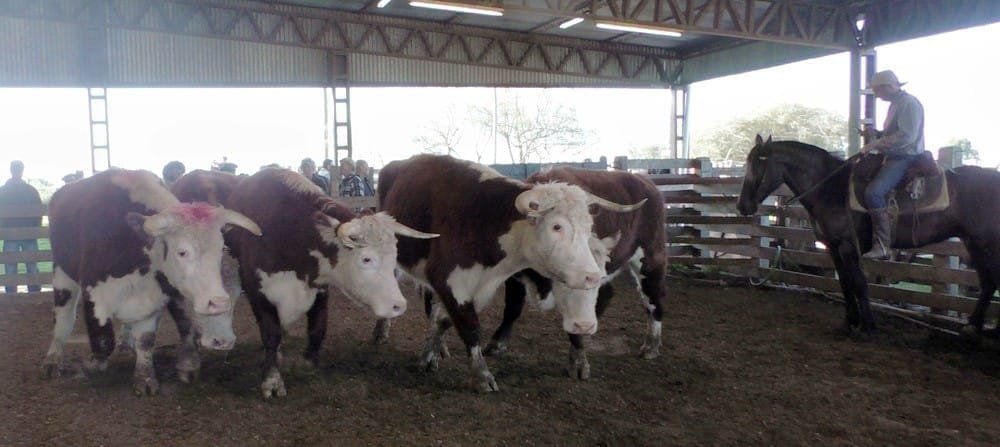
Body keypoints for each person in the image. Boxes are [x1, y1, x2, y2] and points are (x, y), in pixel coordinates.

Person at [859, 70, 925, 259]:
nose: (877, 97)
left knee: (874, 192)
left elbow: (907, 135)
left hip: (905, 157)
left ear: (888, 87)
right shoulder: (897, 104)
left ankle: (882, 244)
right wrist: (877, 134)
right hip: (896, 155)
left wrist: (876, 143)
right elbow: (896, 133)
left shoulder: (908, 103)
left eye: (878, 92)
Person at [0, 161, 42, 293]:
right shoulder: (31, 190)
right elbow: (39, 212)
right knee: (30, 264)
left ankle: (11, 293)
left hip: (11, 234)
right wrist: (35, 228)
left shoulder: (3, 191)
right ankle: (34, 292)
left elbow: (39, 212)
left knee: (12, 265)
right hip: (24, 233)